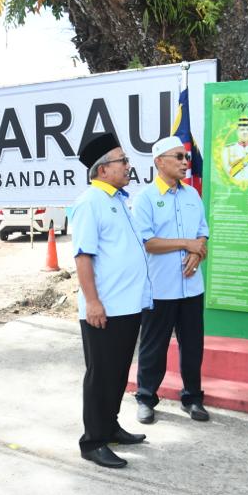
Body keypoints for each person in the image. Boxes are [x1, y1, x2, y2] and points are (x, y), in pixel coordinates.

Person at [72, 132, 152, 469]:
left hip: (128, 306)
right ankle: (93, 441)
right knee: (101, 375)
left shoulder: (119, 200)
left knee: (118, 373)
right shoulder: (89, 202)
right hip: (104, 308)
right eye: (122, 161)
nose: (128, 166)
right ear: (103, 169)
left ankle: (111, 426)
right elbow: (83, 257)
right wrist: (92, 302)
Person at [132, 135, 210, 424]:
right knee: (154, 344)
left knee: (192, 345)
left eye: (186, 157)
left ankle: (192, 397)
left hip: (192, 287)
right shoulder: (145, 199)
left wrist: (198, 251)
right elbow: (148, 242)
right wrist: (186, 244)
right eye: (178, 157)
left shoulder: (192, 195)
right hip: (160, 288)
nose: (184, 162)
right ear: (159, 162)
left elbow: (203, 232)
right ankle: (146, 397)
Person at [223, 116, 248, 183]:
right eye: (242, 129)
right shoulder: (227, 149)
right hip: (233, 186)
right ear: (237, 131)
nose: (245, 132)